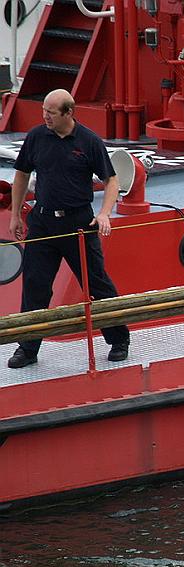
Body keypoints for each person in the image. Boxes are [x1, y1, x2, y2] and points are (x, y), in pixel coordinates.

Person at [7, 89, 130, 368]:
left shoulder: (88, 141)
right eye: (44, 111)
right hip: (42, 222)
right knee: (35, 286)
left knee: (96, 283)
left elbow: (111, 180)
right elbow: (22, 174)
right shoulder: (37, 137)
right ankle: (27, 348)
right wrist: (15, 215)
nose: (45, 117)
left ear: (68, 113)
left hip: (78, 224)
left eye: (51, 112)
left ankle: (119, 339)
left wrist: (104, 214)